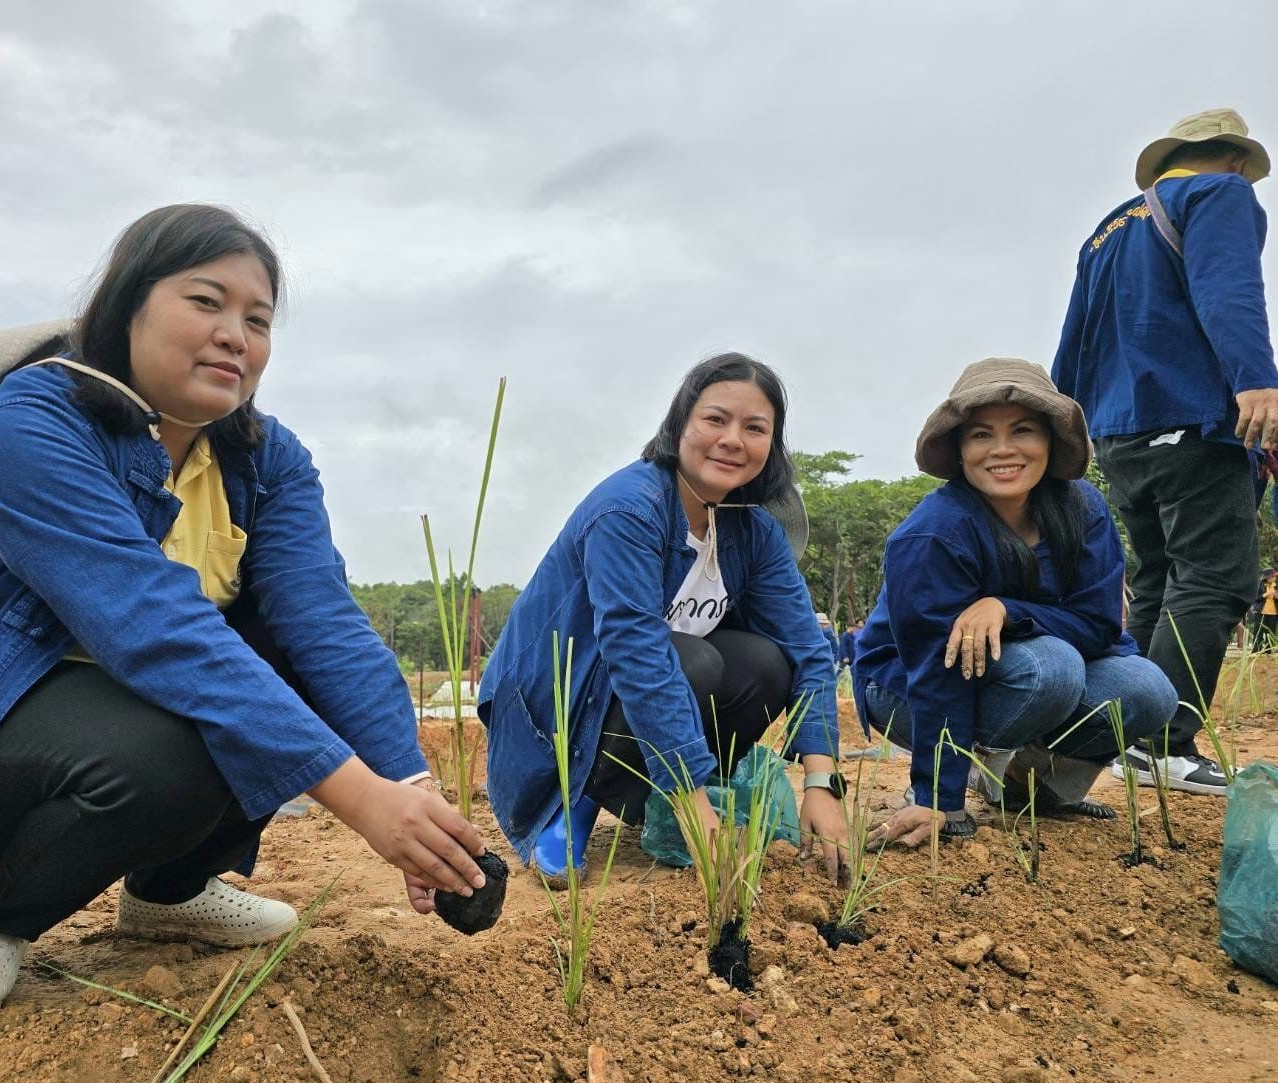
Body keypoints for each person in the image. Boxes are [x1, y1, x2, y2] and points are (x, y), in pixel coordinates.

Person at [0, 205, 488, 1020]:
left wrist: (407, 789)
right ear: (125, 307)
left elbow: (321, 621)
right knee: (194, 734)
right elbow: (157, 629)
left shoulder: (265, 461)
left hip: (108, 724)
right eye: (206, 302)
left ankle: (168, 892)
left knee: (275, 673)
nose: (235, 334)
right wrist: (364, 804)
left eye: (257, 319)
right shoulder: (31, 426)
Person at [479, 353, 847, 884]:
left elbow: (808, 650)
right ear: (680, 425)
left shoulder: (754, 529)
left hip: (645, 688)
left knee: (767, 663)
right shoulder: (629, 510)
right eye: (715, 419)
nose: (732, 439)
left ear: (772, 445)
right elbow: (637, 652)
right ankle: (571, 805)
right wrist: (691, 796)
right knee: (690, 661)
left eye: (754, 428)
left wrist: (821, 781)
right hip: (560, 696)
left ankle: (660, 798)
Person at [854, 359, 1178, 847]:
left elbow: (1099, 625)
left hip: (1023, 665)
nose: (1003, 450)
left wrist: (1005, 609)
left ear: (1050, 440)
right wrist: (937, 795)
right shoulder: (934, 533)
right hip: (907, 682)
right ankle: (965, 774)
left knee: (1147, 690)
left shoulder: (1083, 509)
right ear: (960, 450)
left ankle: (1032, 787)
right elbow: (933, 668)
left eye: (1022, 430)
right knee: (1052, 668)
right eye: (981, 435)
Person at [1051, 107, 1278, 796]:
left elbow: (1075, 338)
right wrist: (1257, 379)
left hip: (1118, 435)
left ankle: (1134, 742)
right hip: (1190, 418)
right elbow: (1228, 289)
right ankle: (1162, 742)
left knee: (1155, 582)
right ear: (1234, 159)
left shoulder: (1106, 230)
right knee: (1214, 576)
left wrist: (1064, 428)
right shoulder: (1221, 195)